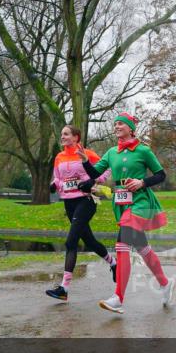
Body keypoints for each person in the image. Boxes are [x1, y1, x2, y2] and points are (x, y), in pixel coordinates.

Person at [78, 113, 173, 314]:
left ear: (130, 128)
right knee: (143, 248)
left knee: (122, 245)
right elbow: (96, 174)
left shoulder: (143, 150)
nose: (116, 127)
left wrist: (142, 182)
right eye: (115, 124)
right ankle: (165, 283)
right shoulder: (112, 152)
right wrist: (86, 161)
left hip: (140, 202)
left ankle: (118, 298)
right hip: (121, 203)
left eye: (120, 123)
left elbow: (161, 175)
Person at [45, 125, 117, 302]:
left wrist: (93, 180)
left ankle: (64, 288)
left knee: (71, 242)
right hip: (69, 203)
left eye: (66, 134)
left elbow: (107, 170)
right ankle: (114, 263)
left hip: (86, 200)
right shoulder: (59, 157)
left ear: (76, 137)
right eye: (61, 134)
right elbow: (58, 178)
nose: (62, 137)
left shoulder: (88, 154)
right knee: (90, 241)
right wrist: (55, 184)